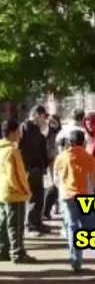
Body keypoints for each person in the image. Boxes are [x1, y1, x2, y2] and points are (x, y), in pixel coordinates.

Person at [54, 130, 95, 272]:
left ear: (69, 142)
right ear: (83, 142)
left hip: (67, 197)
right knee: (92, 229)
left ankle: (76, 262)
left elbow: (56, 179)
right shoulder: (88, 158)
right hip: (85, 197)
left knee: (72, 229)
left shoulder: (61, 158)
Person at [0, 119, 37, 263]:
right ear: (11, 132)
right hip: (14, 193)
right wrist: (25, 191)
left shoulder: (2, 149)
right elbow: (15, 175)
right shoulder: (12, 151)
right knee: (16, 225)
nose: (20, 135)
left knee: (4, 223)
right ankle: (18, 253)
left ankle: (3, 250)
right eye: (18, 132)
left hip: (3, 191)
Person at [18, 105, 49, 236]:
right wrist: (26, 167)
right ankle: (30, 225)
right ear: (36, 114)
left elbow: (41, 147)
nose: (44, 120)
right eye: (43, 117)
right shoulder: (24, 127)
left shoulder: (37, 129)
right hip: (29, 168)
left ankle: (37, 222)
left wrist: (43, 165)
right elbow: (21, 148)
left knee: (39, 196)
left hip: (37, 167)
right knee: (32, 198)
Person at [43, 114, 62, 220]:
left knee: (58, 184)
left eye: (54, 122)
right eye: (51, 122)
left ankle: (56, 206)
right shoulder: (47, 134)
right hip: (52, 161)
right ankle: (52, 207)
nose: (52, 124)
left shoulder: (61, 133)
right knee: (54, 183)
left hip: (61, 161)